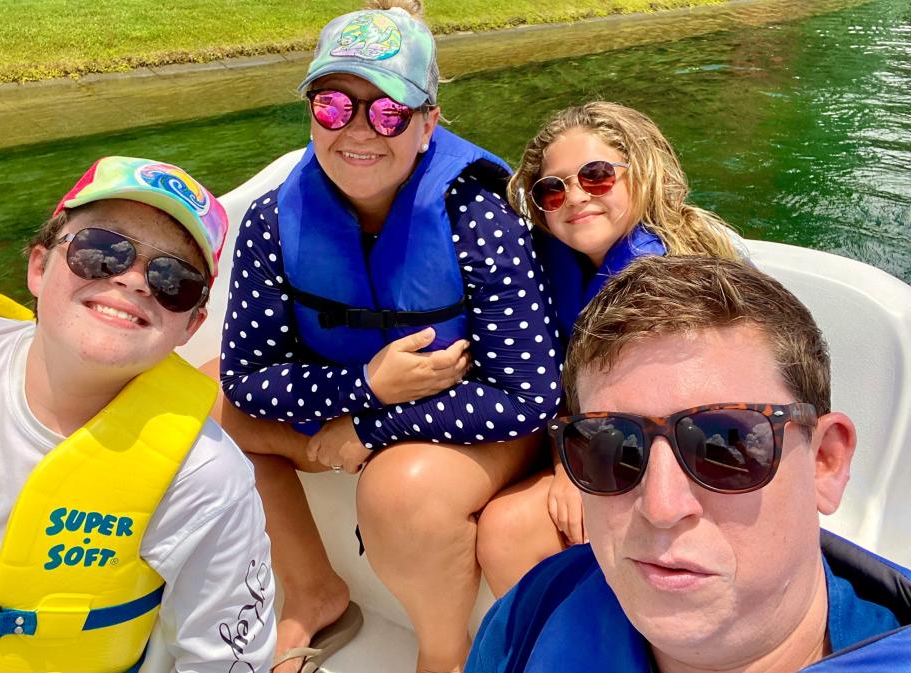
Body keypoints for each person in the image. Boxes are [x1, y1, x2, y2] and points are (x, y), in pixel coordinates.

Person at [205, 1, 560, 671]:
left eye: (389, 112)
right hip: (360, 393)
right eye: (336, 106)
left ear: (427, 124)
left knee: (401, 488)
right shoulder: (272, 222)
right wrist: (365, 387)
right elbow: (246, 377)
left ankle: (444, 654)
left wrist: (371, 431)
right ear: (312, 111)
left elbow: (528, 394)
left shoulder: (479, 219)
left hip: (480, 418)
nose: (360, 131)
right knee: (193, 406)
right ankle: (313, 591)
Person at [467, 255, 911, 672]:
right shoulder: (531, 613)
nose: (661, 507)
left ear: (824, 463)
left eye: (724, 445)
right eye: (611, 448)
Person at [0, 156, 275, 672]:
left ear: (191, 326)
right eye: (101, 251)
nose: (134, 282)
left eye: (174, 278)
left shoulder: (207, 480)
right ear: (39, 267)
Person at [476, 101, 742, 597]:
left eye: (596, 177)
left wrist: (571, 468)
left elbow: (667, 411)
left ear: (639, 174)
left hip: (670, 451)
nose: (574, 197)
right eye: (552, 189)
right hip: (589, 432)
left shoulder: (666, 280)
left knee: (507, 531)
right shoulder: (550, 261)